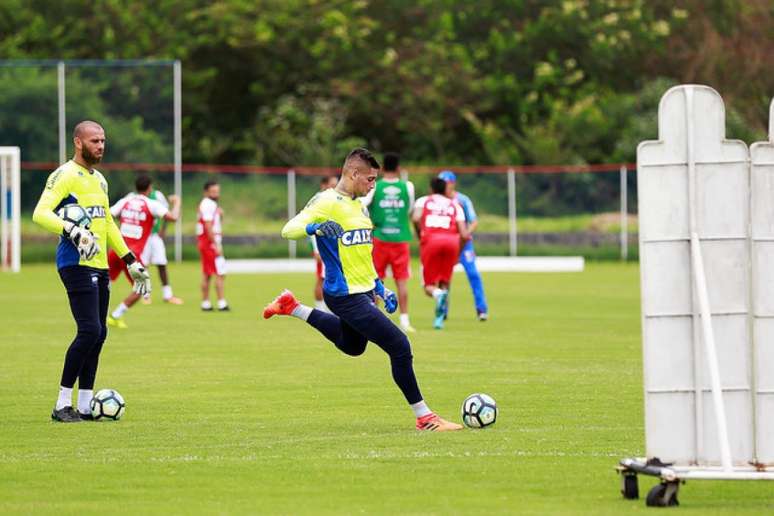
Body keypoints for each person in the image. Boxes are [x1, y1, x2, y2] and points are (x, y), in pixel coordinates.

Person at [263, 147, 462, 432]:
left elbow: (363, 253)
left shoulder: (360, 205)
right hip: (344, 294)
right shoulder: (327, 201)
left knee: (353, 346)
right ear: (353, 173)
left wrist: (381, 288)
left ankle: (292, 306)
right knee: (400, 346)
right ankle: (425, 417)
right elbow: (288, 230)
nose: (373, 185)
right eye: (369, 179)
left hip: (364, 291)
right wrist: (314, 227)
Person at [32, 120, 151, 423]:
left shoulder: (99, 180)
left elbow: (108, 224)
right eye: (94, 141)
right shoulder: (65, 175)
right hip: (75, 263)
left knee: (99, 334)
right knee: (89, 330)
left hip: (99, 265)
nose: (100, 146)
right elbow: (40, 213)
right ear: (78, 142)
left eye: (102, 140)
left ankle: (85, 405)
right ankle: (61, 404)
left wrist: (130, 261)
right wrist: (72, 230)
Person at [106, 175, 181, 328]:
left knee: (103, 282)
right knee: (142, 287)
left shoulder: (126, 201)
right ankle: (115, 316)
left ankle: (97, 315)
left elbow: (108, 215)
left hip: (116, 250)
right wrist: (178, 202)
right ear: (149, 188)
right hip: (131, 256)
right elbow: (173, 217)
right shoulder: (151, 204)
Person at [361, 152, 416, 333]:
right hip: (401, 238)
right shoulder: (407, 186)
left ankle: (374, 318)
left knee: (376, 280)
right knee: (401, 281)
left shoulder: (376, 186)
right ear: (399, 168)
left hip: (380, 238)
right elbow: (410, 208)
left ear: (382, 168)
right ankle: (405, 320)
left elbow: (363, 204)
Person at [412, 177, 469, 330]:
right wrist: (458, 252)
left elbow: (416, 218)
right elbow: (464, 234)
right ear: (446, 190)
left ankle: (438, 295)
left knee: (428, 286)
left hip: (431, 241)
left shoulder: (423, 201)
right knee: (445, 282)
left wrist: (420, 235)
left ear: (431, 189)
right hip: (452, 242)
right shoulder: (455, 205)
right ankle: (440, 318)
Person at [439, 170, 489, 321]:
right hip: (447, 244)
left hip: (464, 245)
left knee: (473, 274)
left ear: (452, 184)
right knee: (444, 279)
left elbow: (474, 221)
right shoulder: (437, 201)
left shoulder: (463, 200)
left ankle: (481, 309)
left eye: (446, 184)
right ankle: (442, 310)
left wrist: (465, 233)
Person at [140, 186, 183, 305]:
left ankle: (167, 295)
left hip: (155, 236)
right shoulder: (134, 197)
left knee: (161, 263)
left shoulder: (157, 195)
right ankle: (145, 295)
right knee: (143, 265)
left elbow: (166, 212)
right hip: (142, 237)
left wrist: (163, 229)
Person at [197, 180, 229, 311]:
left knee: (207, 273)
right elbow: (208, 225)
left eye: (217, 191)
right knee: (220, 273)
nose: (216, 194)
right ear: (206, 192)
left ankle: (206, 303)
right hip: (210, 243)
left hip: (206, 242)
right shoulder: (208, 204)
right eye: (213, 191)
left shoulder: (209, 205)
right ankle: (221, 303)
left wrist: (220, 215)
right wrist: (215, 244)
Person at [311, 175, 338, 312]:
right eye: (332, 185)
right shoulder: (318, 200)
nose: (335, 187)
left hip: (333, 247)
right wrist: (316, 249)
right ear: (324, 185)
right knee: (322, 277)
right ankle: (320, 308)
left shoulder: (335, 200)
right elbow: (312, 225)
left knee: (331, 277)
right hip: (322, 247)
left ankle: (328, 308)